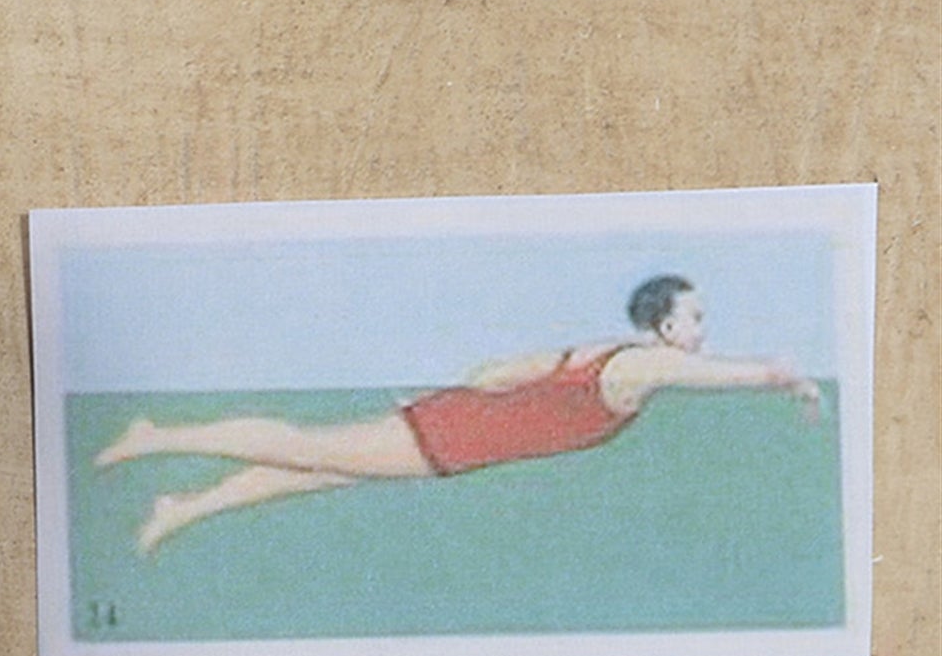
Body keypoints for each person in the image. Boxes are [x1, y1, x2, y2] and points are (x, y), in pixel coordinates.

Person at [95, 276, 822, 553]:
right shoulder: (645, 365)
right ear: (664, 325)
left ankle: (180, 509)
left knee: (309, 469)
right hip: (448, 439)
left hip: (454, 426)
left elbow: (497, 373)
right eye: (695, 317)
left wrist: (467, 408)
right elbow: (716, 374)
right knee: (300, 449)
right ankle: (160, 436)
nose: (700, 329)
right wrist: (781, 377)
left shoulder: (601, 351)